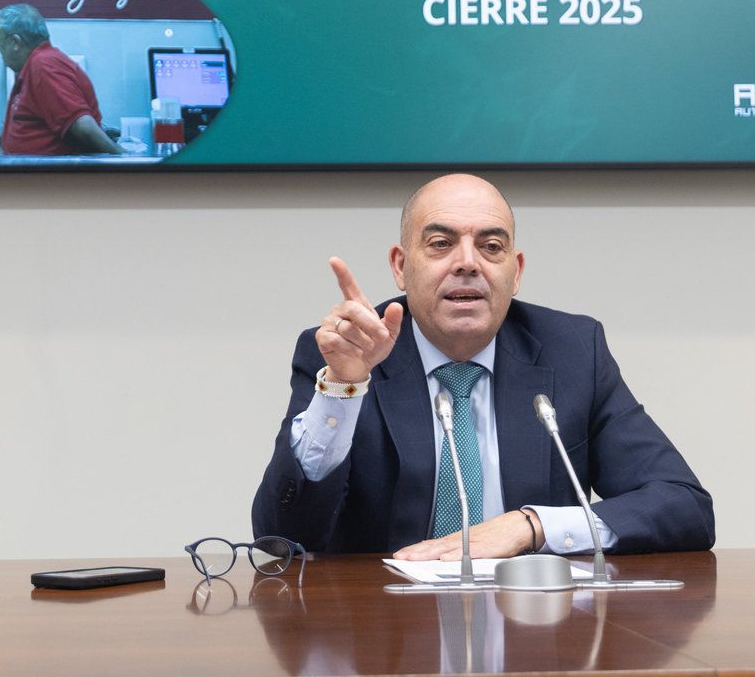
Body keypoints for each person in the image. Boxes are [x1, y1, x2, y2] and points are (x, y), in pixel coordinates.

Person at [252, 173, 714, 560]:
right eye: (440, 244)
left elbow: (685, 506)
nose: (468, 263)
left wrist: (531, 526)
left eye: (491, 246)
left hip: (532, 626)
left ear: (516, 271)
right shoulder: (347, 354)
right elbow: (281, 537)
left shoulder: (573, 352)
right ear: (400, 266)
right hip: (384, 624)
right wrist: (343, 389)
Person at [0, 4, 122, 156]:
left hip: (49, 171)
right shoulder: (33, 66)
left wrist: (124, 160)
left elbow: (83, 127)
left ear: (15, 42)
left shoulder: (44, 66)